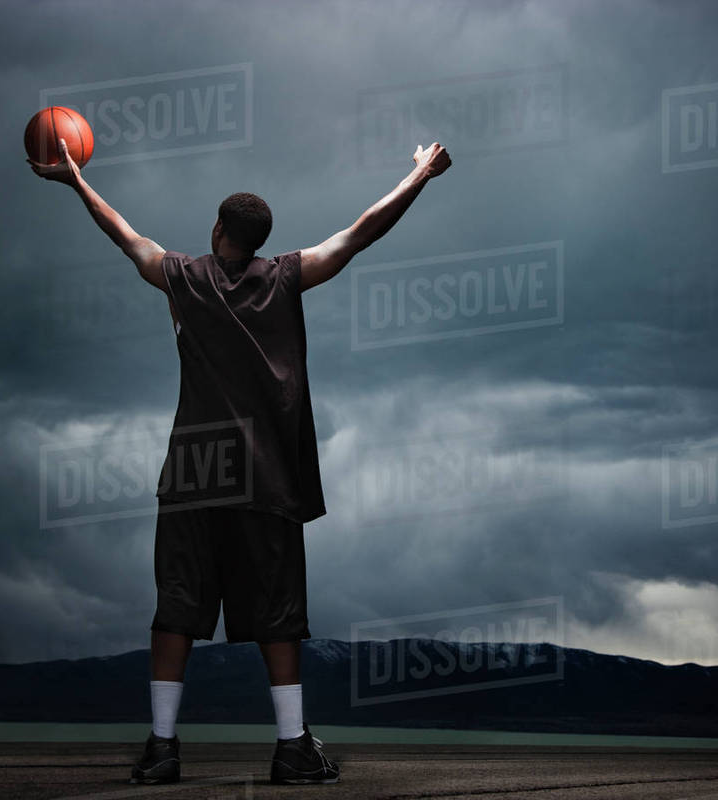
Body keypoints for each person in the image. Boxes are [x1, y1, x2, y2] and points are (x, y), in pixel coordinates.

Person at [28, 137, 452, 785]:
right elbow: (360, 233)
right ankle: (290, 747)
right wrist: (420, 174)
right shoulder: (286, 275)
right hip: (265, 475)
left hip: (195, 471)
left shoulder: (183, 278)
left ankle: (163, 747)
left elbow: (125, 235)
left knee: (176, 606)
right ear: (258, 239)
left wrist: (76, 181)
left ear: (218, 229)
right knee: (277, 612)